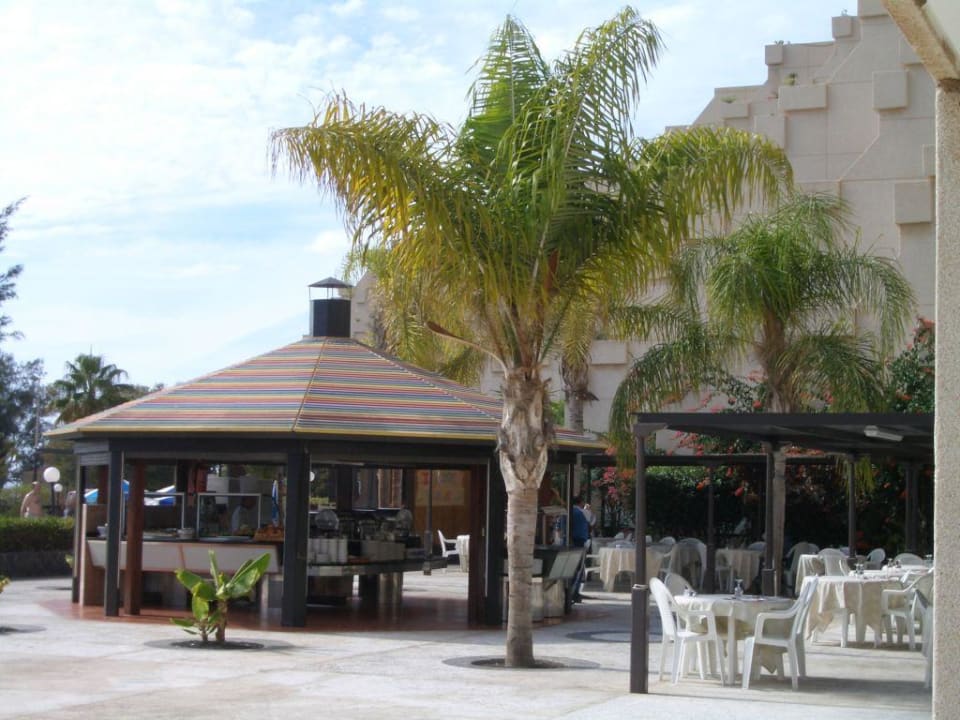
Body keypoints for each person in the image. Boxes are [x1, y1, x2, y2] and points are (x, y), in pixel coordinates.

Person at [570, 495, 591, 603]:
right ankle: (574, 592)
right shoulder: (583, 512)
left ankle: (571, 592)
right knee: (578, 568)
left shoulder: (568, 511)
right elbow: (592, 521)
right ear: (581, 502)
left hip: (570, 541)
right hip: (579, 541)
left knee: (571, 568)